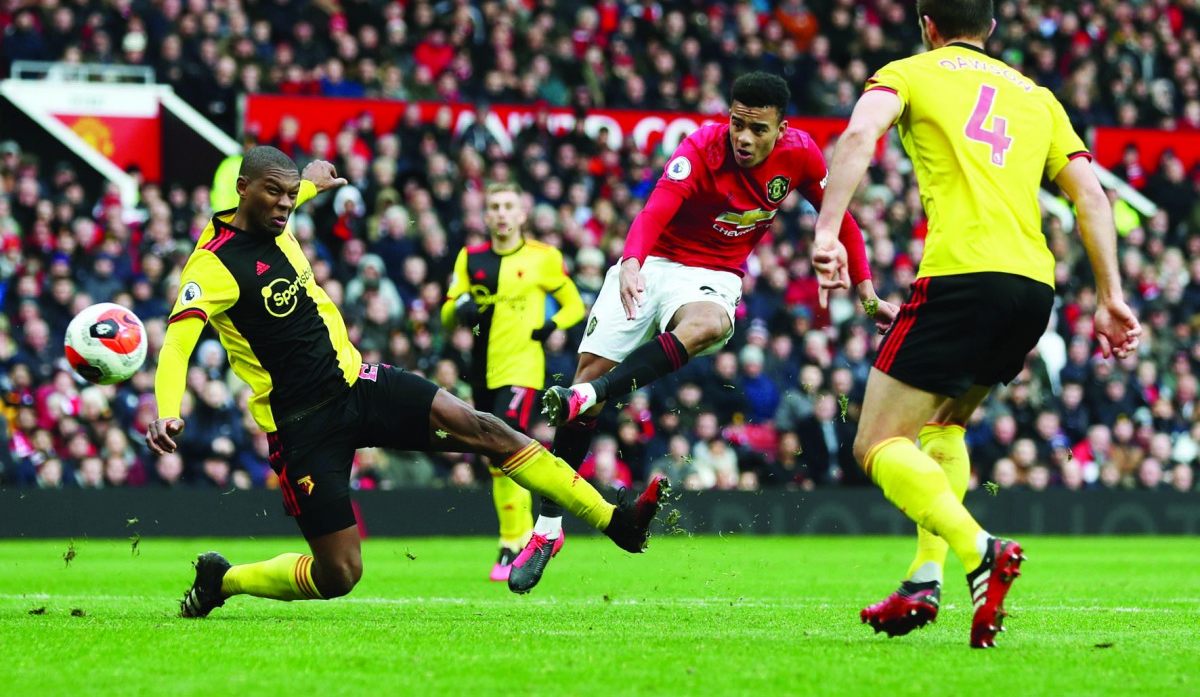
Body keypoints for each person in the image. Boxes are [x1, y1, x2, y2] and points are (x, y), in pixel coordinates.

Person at [146, 146, 667, 618]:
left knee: (489, 430)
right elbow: (176, 344)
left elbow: (291, 186)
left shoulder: (279, 213)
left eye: (289, 195)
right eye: (274, 194)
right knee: (340, 574)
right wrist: (168, 408)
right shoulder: (212, 265)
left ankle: (615, 522)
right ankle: (224, 579)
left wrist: (311, 180)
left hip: (359, 383)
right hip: (303, 425)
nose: (285, 205)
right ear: (242, 189)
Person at [809, 0, 1142, 648]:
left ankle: (979, 548)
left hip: (961, 275)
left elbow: (859, 136)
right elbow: (1089, 196)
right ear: (990, 28)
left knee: (877, 441)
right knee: (944, 429)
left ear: (926, 25)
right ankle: (923, 578)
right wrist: (1110, 295)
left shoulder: (910, 71)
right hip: (1031, 290)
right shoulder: (1037, 95)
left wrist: (825, 232)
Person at [512, 71, 896, 593]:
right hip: (653, 261)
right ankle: (549, 528)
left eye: (757, 129)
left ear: (781, 129)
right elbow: (655, 210)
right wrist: (629, 262)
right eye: (737, 123)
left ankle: (590, 395)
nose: (743, 137)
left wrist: (869, 294)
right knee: (588, 389)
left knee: (710, 322)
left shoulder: (802, 155)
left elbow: (842, 220)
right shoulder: (700, 148)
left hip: (712, 276)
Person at [441, 181, 585, 581]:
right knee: (495, 456)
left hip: (522, 368)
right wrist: (459, 309)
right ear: (485, 216)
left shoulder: (544, 257)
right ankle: (525, 536)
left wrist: (551, 325)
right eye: (495, 207)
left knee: (505, 445)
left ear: (521, 214)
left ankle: (516, 541)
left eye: (509, 206)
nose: (502, 213)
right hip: (482, 371)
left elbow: (575, 304)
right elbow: (446, 313)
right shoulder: (470, 259)